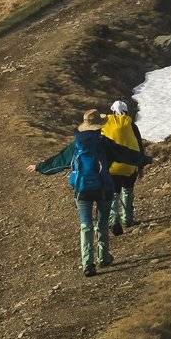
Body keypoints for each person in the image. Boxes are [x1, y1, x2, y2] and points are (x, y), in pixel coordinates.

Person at [28, 108, 144, 276]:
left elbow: (59, 160)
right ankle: (103, 258)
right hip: (104, 187)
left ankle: (87, 263)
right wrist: (145, 159)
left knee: (86, 225)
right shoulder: (104, 142)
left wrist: (39, 166)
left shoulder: (77, 144)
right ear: (100, 126)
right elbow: (125, 155)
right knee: (102, 223)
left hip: (82, 190)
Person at [102, 98, 145, 236]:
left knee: (114, 193)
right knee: (128, 190)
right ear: (126, 111)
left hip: (112, 166)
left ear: (112, 111)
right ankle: (128, 219)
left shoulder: (106, 123)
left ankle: (114, 220)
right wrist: (141, 165)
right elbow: (139, 145)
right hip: (130, 165)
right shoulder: (131, 124)